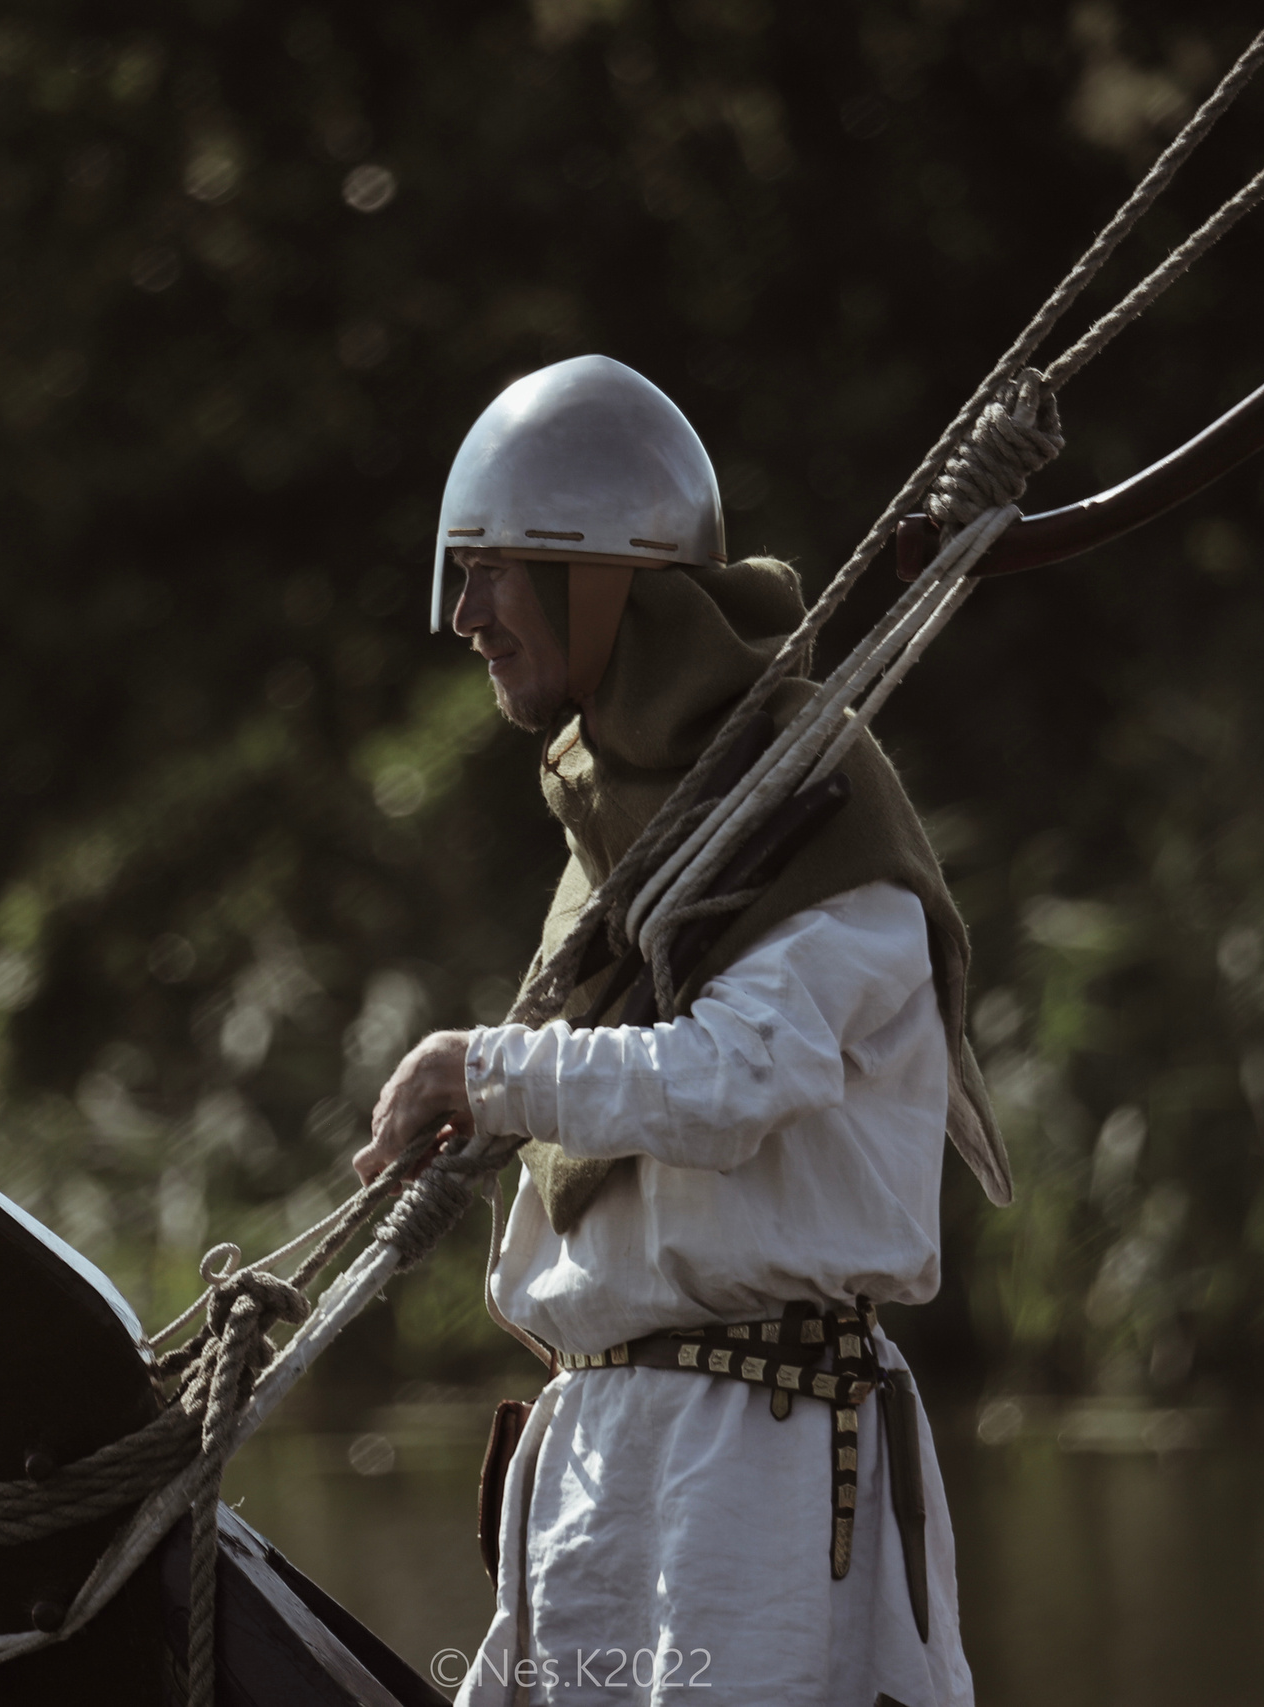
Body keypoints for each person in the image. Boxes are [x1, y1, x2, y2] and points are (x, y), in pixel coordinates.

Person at [353, 354, 1010, 1706]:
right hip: (601, 1441)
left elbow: (731, 1077)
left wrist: (484, 1073)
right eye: (459, 571)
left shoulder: (823, 826)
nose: (467, 612)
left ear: (600, 579)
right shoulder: (631, 842)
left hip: (757, 1463)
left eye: (497, 569)